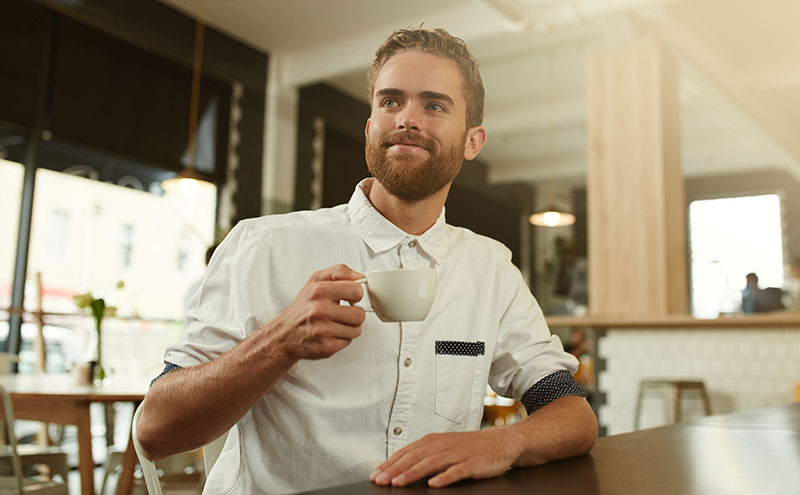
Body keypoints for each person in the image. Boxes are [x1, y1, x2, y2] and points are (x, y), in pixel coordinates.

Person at [137, 27, 597, 494]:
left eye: (434, 105)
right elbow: (155, 431)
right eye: (390, 101)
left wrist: (501, 444)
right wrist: (280, 342)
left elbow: (573, 414)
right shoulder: (262, 245)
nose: (407, 119)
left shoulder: (490, 269)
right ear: (370, 125)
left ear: (473, 141)